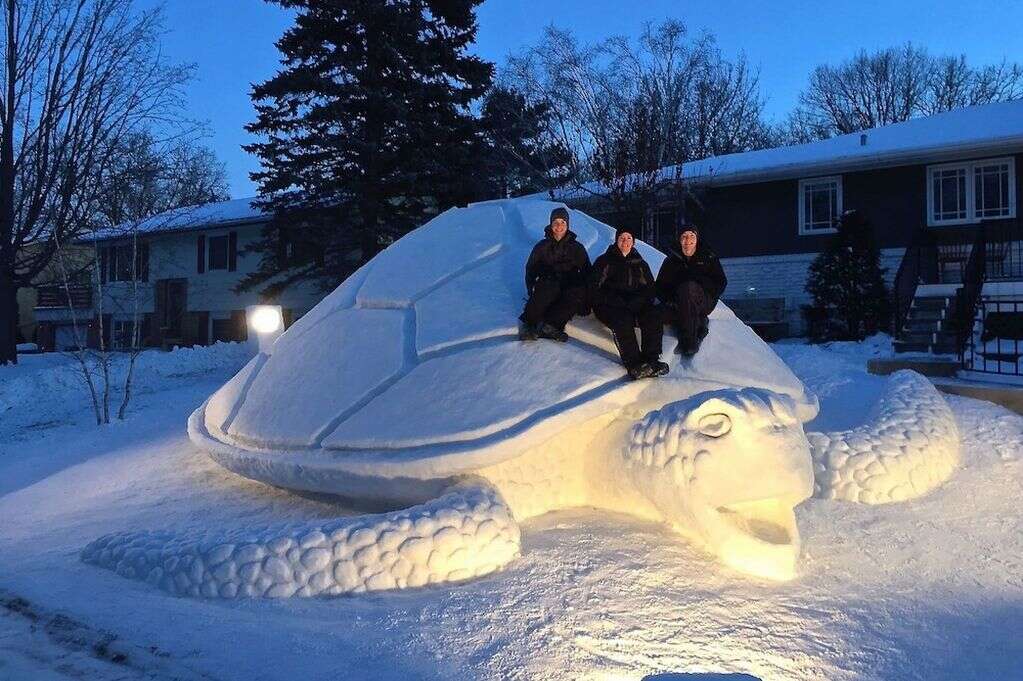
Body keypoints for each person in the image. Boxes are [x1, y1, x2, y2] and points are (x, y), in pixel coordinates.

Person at [590, 228, 667, 380]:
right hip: (610, 306)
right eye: (622, 238)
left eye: (628, 238)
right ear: (616, 240)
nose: (625, 242)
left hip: (634, 305)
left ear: (633, 241)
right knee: (622, 318)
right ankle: (634, 364)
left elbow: (650, 288)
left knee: (653, 315)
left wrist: (640, 300)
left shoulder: (640, 263)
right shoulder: (605, 261)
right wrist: (612, 299)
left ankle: (651, 360)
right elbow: (593, 288)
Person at [519, 207, 591, 342]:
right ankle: (529, 324)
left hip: (569, 283)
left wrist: (587, 299)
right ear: (551, 225)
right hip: (548, 282)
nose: (559, 226)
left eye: (562, 222)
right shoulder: (542, 246)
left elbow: (588, 271)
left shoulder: (577, 248)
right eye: (555, 222)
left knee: (576, 294)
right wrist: (530, 288)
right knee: (545, 291)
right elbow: (531, 268)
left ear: (567, 225)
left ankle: (551, 326)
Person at [656, 224, 727, 356]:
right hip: (677, 302)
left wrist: (700, 283)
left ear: (697, 238)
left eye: (691, 236)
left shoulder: (708, 257)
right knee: (653, 314)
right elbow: (660, 285)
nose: (688, 240)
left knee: (688, 288)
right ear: (679, 239)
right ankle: (652, 357)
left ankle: (689, 343)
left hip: (703, 301)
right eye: (684, 236)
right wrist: (669, 299)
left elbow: (721, 282)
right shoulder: (671, 261)